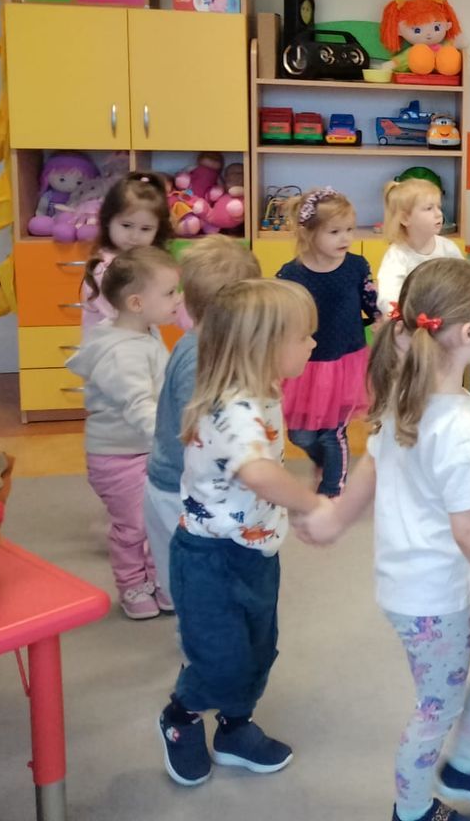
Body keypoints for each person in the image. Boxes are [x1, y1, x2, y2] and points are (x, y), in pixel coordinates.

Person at [306, 259, 470, 820]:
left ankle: (464, 765)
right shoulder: (466, 430)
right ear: (469, 334)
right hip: (429, 597)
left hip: (458, 580)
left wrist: (336, 519)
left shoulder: (409, 397)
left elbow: (373, 464)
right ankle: (412, 811)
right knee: (437, 707)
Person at [157, 279, 335, 788]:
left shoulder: (264, 391)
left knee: (259, 648)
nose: (313, 344)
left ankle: (235, 727)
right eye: (303, 336)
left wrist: (284, 515)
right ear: (263, 346)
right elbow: (257, 473)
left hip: (256, 550)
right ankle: (181, 716)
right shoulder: (231, 408)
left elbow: (261, 472)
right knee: (220, 658)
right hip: (209, 557)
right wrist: (312, 504)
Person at [145, 235, 260, 609]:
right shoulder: (201, 358)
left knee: (193, 580)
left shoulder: (203, 343)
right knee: (194, 588)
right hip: (177, 489)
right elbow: (198, 432)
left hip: (178, 484)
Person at [67, 246, 181, 619]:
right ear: (136, 303)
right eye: (170, 293)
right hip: (119, 455)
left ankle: (159, 579)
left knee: (159, 519)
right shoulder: (122, 353)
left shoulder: (144, 331)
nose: (178, 299)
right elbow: (138, 406)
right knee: (133, 525)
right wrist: (170, 440)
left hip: (144, 449)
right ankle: (133, 585)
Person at [275, 188, 377, 495]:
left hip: (346, 362)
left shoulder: (356, 266)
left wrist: (381, 318)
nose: (345, 238)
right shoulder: (290, 274)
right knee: (300, 435)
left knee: (333, 432)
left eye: (349, 229)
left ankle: (332, 489)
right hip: (305, 365)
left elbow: (371, 302)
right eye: (334, 232)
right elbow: (280, 317)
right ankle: (323, 463)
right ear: (308, 233)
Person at [79, 170, 174, 336]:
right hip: (110, 344)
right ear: (108, 220)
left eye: (146, 229)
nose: (134, 236)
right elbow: (118, 318)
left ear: (157, 230)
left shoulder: (147, 262)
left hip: (138, 338)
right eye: (126, 225)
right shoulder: (104, 268)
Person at [376, 177, 463, 316]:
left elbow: (463, 282)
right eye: (429, 208)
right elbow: (388, 296)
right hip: (411, 319)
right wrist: (401, 316)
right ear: (405, 219)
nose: (439, 214)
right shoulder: (397, 255)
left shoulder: (448, 248)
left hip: (446, 316)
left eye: (439, 207)